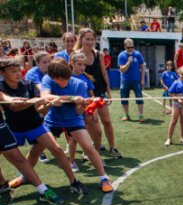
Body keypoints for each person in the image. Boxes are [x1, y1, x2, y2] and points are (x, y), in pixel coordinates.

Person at [40, 59, 113, 193]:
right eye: (60, 80)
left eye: (66, 79)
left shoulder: (79, 83)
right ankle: (25, 176)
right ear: (53, 77)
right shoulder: (47, 79)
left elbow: (79, 111)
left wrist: (83, 104)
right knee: (37, 149)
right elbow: (45, 96)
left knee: (88, 147)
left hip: (73, 120)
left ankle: (104, 178)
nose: (64, 82)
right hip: (52, 121)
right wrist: (71, 98)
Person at [0, 59, 66, 204]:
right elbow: (10, 103)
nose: (18, 74)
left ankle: (43, 190)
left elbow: (10, 99)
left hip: (22, 125)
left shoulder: (27, 84)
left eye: (19, 70)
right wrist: (28, 101)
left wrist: (48, 102)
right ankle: (2, 183)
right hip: (13, 126)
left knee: (19, 159)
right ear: (2, 73)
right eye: (13, 71)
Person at [76, 28, 122, 158]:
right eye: (87, 39)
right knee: (90, 123)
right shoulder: (76, 55)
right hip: (85, 94)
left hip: (99, 91)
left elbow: (103, 73)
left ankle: (112, 147)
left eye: (92, 39)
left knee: (106, 121)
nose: (90, 42)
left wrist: (108, 91)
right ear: (81, 39)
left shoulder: (98, 54)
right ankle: (90, 149)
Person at [164, 66, 183, 146]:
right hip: (176, 104)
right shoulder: (176, 83)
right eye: (182, 74)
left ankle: (182, 138)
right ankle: (169, 138)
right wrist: (177, 99)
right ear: (179, 74)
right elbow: (170, 93)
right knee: (174, 121)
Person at [118, 38, 145, 122]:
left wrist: (142, 79)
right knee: (124, 98)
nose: (130, 49)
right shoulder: (121, 55)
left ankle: (141, 115)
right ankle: (126, 115)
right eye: (128, 47)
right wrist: (128, 62)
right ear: (125, 47)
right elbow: (122, 70)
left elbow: (143, 67)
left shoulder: (138, 54)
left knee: (139, 97)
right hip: (125, 80)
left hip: (136, 80)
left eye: (132, 47)